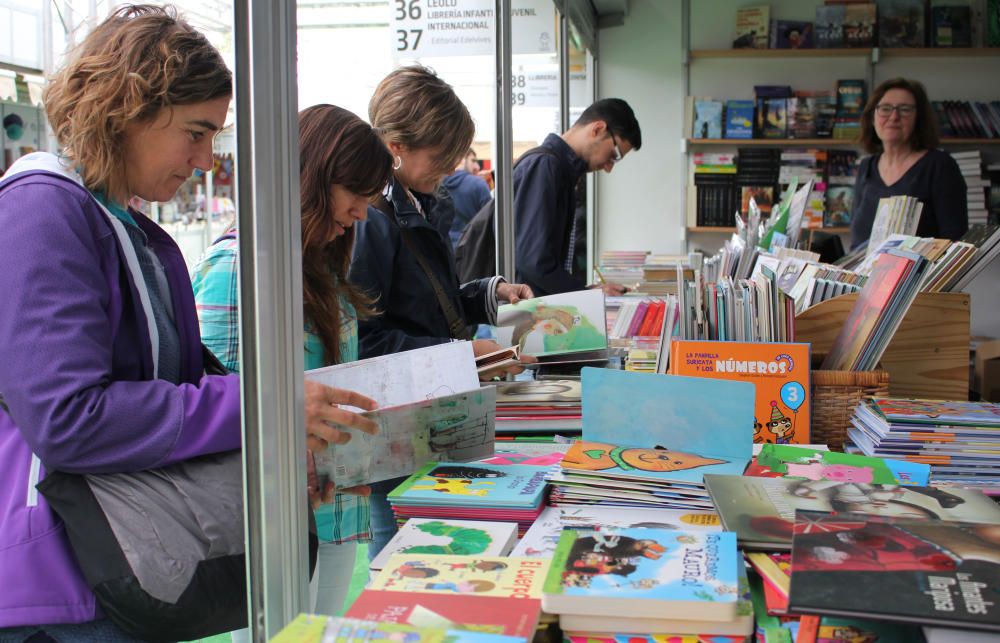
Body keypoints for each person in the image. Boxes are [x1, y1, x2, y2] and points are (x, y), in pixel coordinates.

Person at [0, 7, 375, 640]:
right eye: (195, 133)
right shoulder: (43, 212)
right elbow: (66, 418)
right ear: (126, 107)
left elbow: (184, 378)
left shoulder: (133, 229)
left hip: (118, 563)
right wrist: (265, 407)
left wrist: (275, 442)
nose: (205, 161)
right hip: (63, 581)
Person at [192, 104, 393, 623]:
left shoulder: (322, 265)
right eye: (355, 195)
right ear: (312, 180)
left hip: (334, 505)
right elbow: (216, 409)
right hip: (272, 520)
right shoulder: (237, 269)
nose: (361, 215)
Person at [348, 65, 534, 560]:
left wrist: (490, 294)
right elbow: (365, 342)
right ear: (395, 147)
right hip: (397, 415)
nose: (451, 167)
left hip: (432, 404)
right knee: (399, 545)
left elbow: (435, 300)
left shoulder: (426, 202)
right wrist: (460, 353)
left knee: (430, 538)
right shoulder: (371, 222)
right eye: (441, 155)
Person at [514, 98, 642, 297]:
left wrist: (586, 292)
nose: (609, 167)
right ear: (598, 129)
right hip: (525, 315)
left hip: (537, 311)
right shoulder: (545, 167)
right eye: (613, 155)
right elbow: (533, 262)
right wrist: (584, 295)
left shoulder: (562, 172)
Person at [849, 77, 968, 249]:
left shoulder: (940, 166)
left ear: (919, 119)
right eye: (885, 108)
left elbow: (954, 243)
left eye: (905, 110)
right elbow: (856, 242)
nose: (894, 116)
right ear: (872, 118)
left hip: (922, 275)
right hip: (866, 274)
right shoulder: (866, 167)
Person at [443, 149, 492, 247]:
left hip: (444, 250)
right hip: (472, 250)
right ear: (461, 160)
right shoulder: (478, 184)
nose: (477, 167)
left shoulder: (435, 185)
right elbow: (491, 222)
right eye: (473, 161)